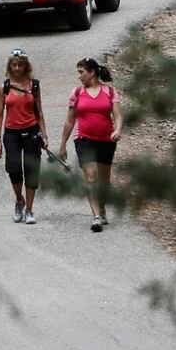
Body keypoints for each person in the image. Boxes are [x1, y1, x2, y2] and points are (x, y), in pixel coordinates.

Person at [59, 58, 123, 233]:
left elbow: (117, 115)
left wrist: (117, 130)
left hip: (106, 140)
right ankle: (95, 216)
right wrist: (63, 144)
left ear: (92, 72)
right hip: (84, 139)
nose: (79, 76)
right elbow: (69, 120)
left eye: (81, 72)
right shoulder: (77, 92)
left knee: (104, 181)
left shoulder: (109, 91)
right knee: (90, 176)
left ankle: (101, 207)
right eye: (78, 72)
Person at [0, 49, 49, 224]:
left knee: (32, 171)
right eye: (14, 64)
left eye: (21, 64)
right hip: (11, 133)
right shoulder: (5, 87)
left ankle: (30, 210)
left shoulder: (34, 85)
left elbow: (39, 112)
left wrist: (44, 136)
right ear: (9, 66)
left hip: (31, 131)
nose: (17, 68)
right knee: (14, 169)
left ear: (26, 66)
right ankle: (19, 200)